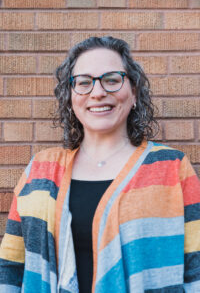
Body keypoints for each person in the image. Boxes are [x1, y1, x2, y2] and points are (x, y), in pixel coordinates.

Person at [0, 36, 199, 293]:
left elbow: (196, 266)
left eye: (112, 80)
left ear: (134, 93)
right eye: (84, 82)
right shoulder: (39, 171)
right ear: (71, 98)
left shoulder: (171, 167)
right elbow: (10, 266)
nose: (97, 92)